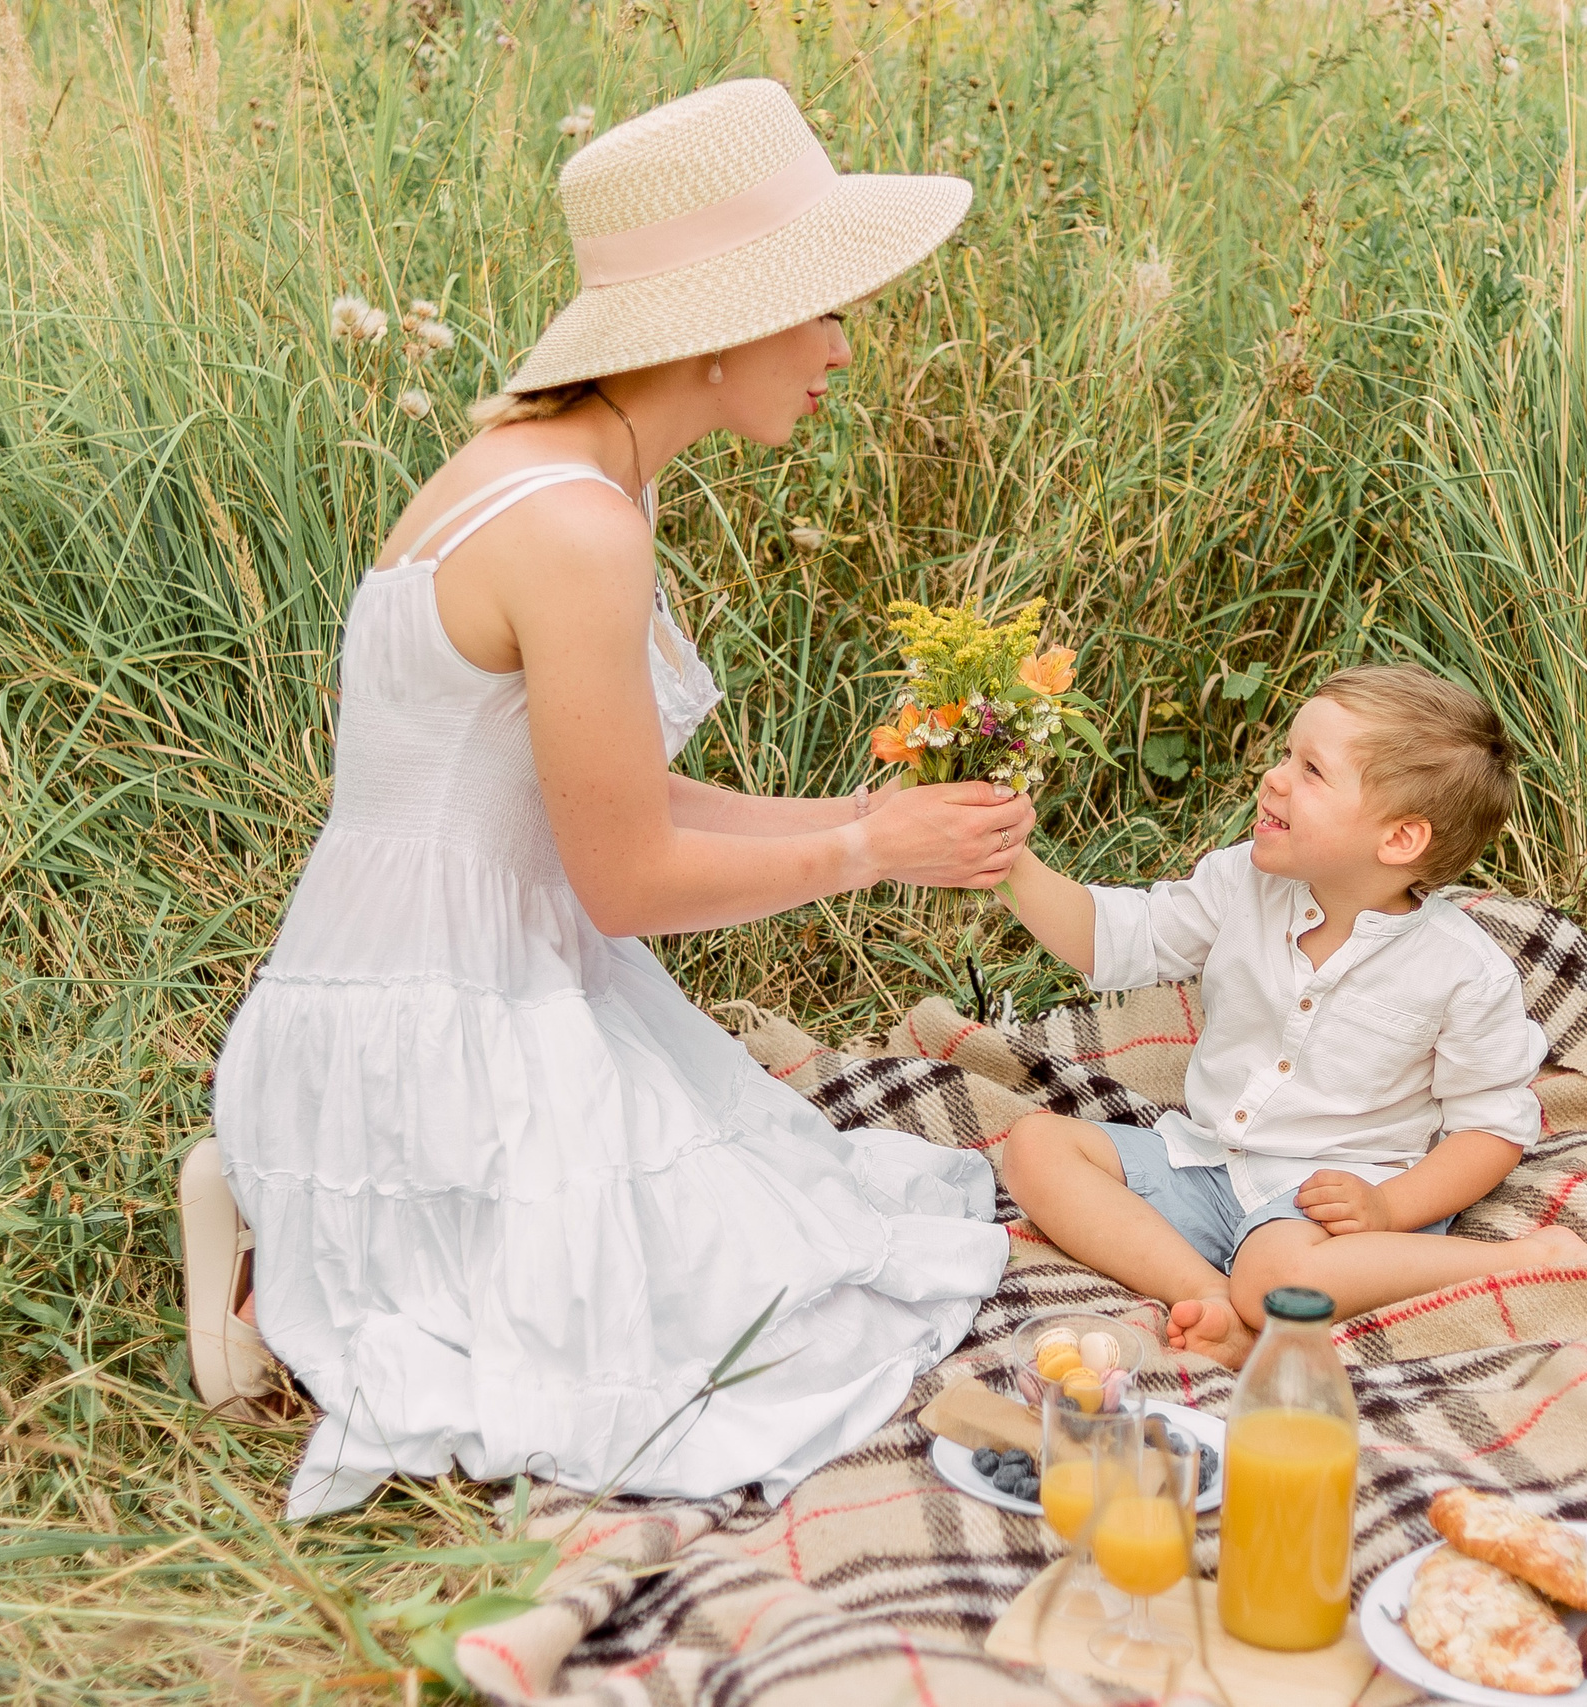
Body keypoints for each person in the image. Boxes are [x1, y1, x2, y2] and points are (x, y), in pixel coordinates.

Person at [199, 81, 1031, 1519]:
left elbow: (616, 794)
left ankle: (302, 1211)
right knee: (758, 1347)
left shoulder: (564, 475)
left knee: (808, 1220)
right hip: (435, 1022)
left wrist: (853, 820)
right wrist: (862, 846)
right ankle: (290, 1263)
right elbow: (626, 880)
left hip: (438, 974)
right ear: (713, 329)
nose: (843, 346)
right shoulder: (573, 523)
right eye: (820, 306)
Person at [997, 665, 1587, 1369]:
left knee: (1276, 1277)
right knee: (1035, 1147)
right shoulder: (1244, 882)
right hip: (1206, 1161)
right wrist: (1004, 861)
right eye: (1286, 754)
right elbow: (1116, 937)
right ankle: (1210, 1297)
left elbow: (1490, 1127)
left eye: (1310, 769)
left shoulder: (1462, 969)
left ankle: (1519, 1259)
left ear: (1400, 840)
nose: (1274, 778)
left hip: (1332, 1200)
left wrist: (1391, 1209)